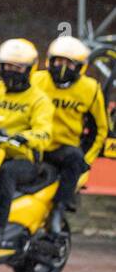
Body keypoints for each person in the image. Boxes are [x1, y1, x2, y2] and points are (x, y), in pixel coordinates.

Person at [0, 38, 53, 249]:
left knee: (6, 173)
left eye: (18, 67)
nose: (11, 71)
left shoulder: (39, 100)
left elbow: (44, 134)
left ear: (30, 69)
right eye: (7, 66)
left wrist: (24, 137)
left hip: (24, 158)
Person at [33, 36, 107, 236]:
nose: (62, 67)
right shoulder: (36, 80)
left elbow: (100, 128)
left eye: (69, 63)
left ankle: (58, 211)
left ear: (80, 66)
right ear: (50, 61)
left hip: (63, 149)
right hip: (34, 144)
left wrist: (87, 159)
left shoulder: (90, 88)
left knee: (74, 158)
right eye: (58, 61)